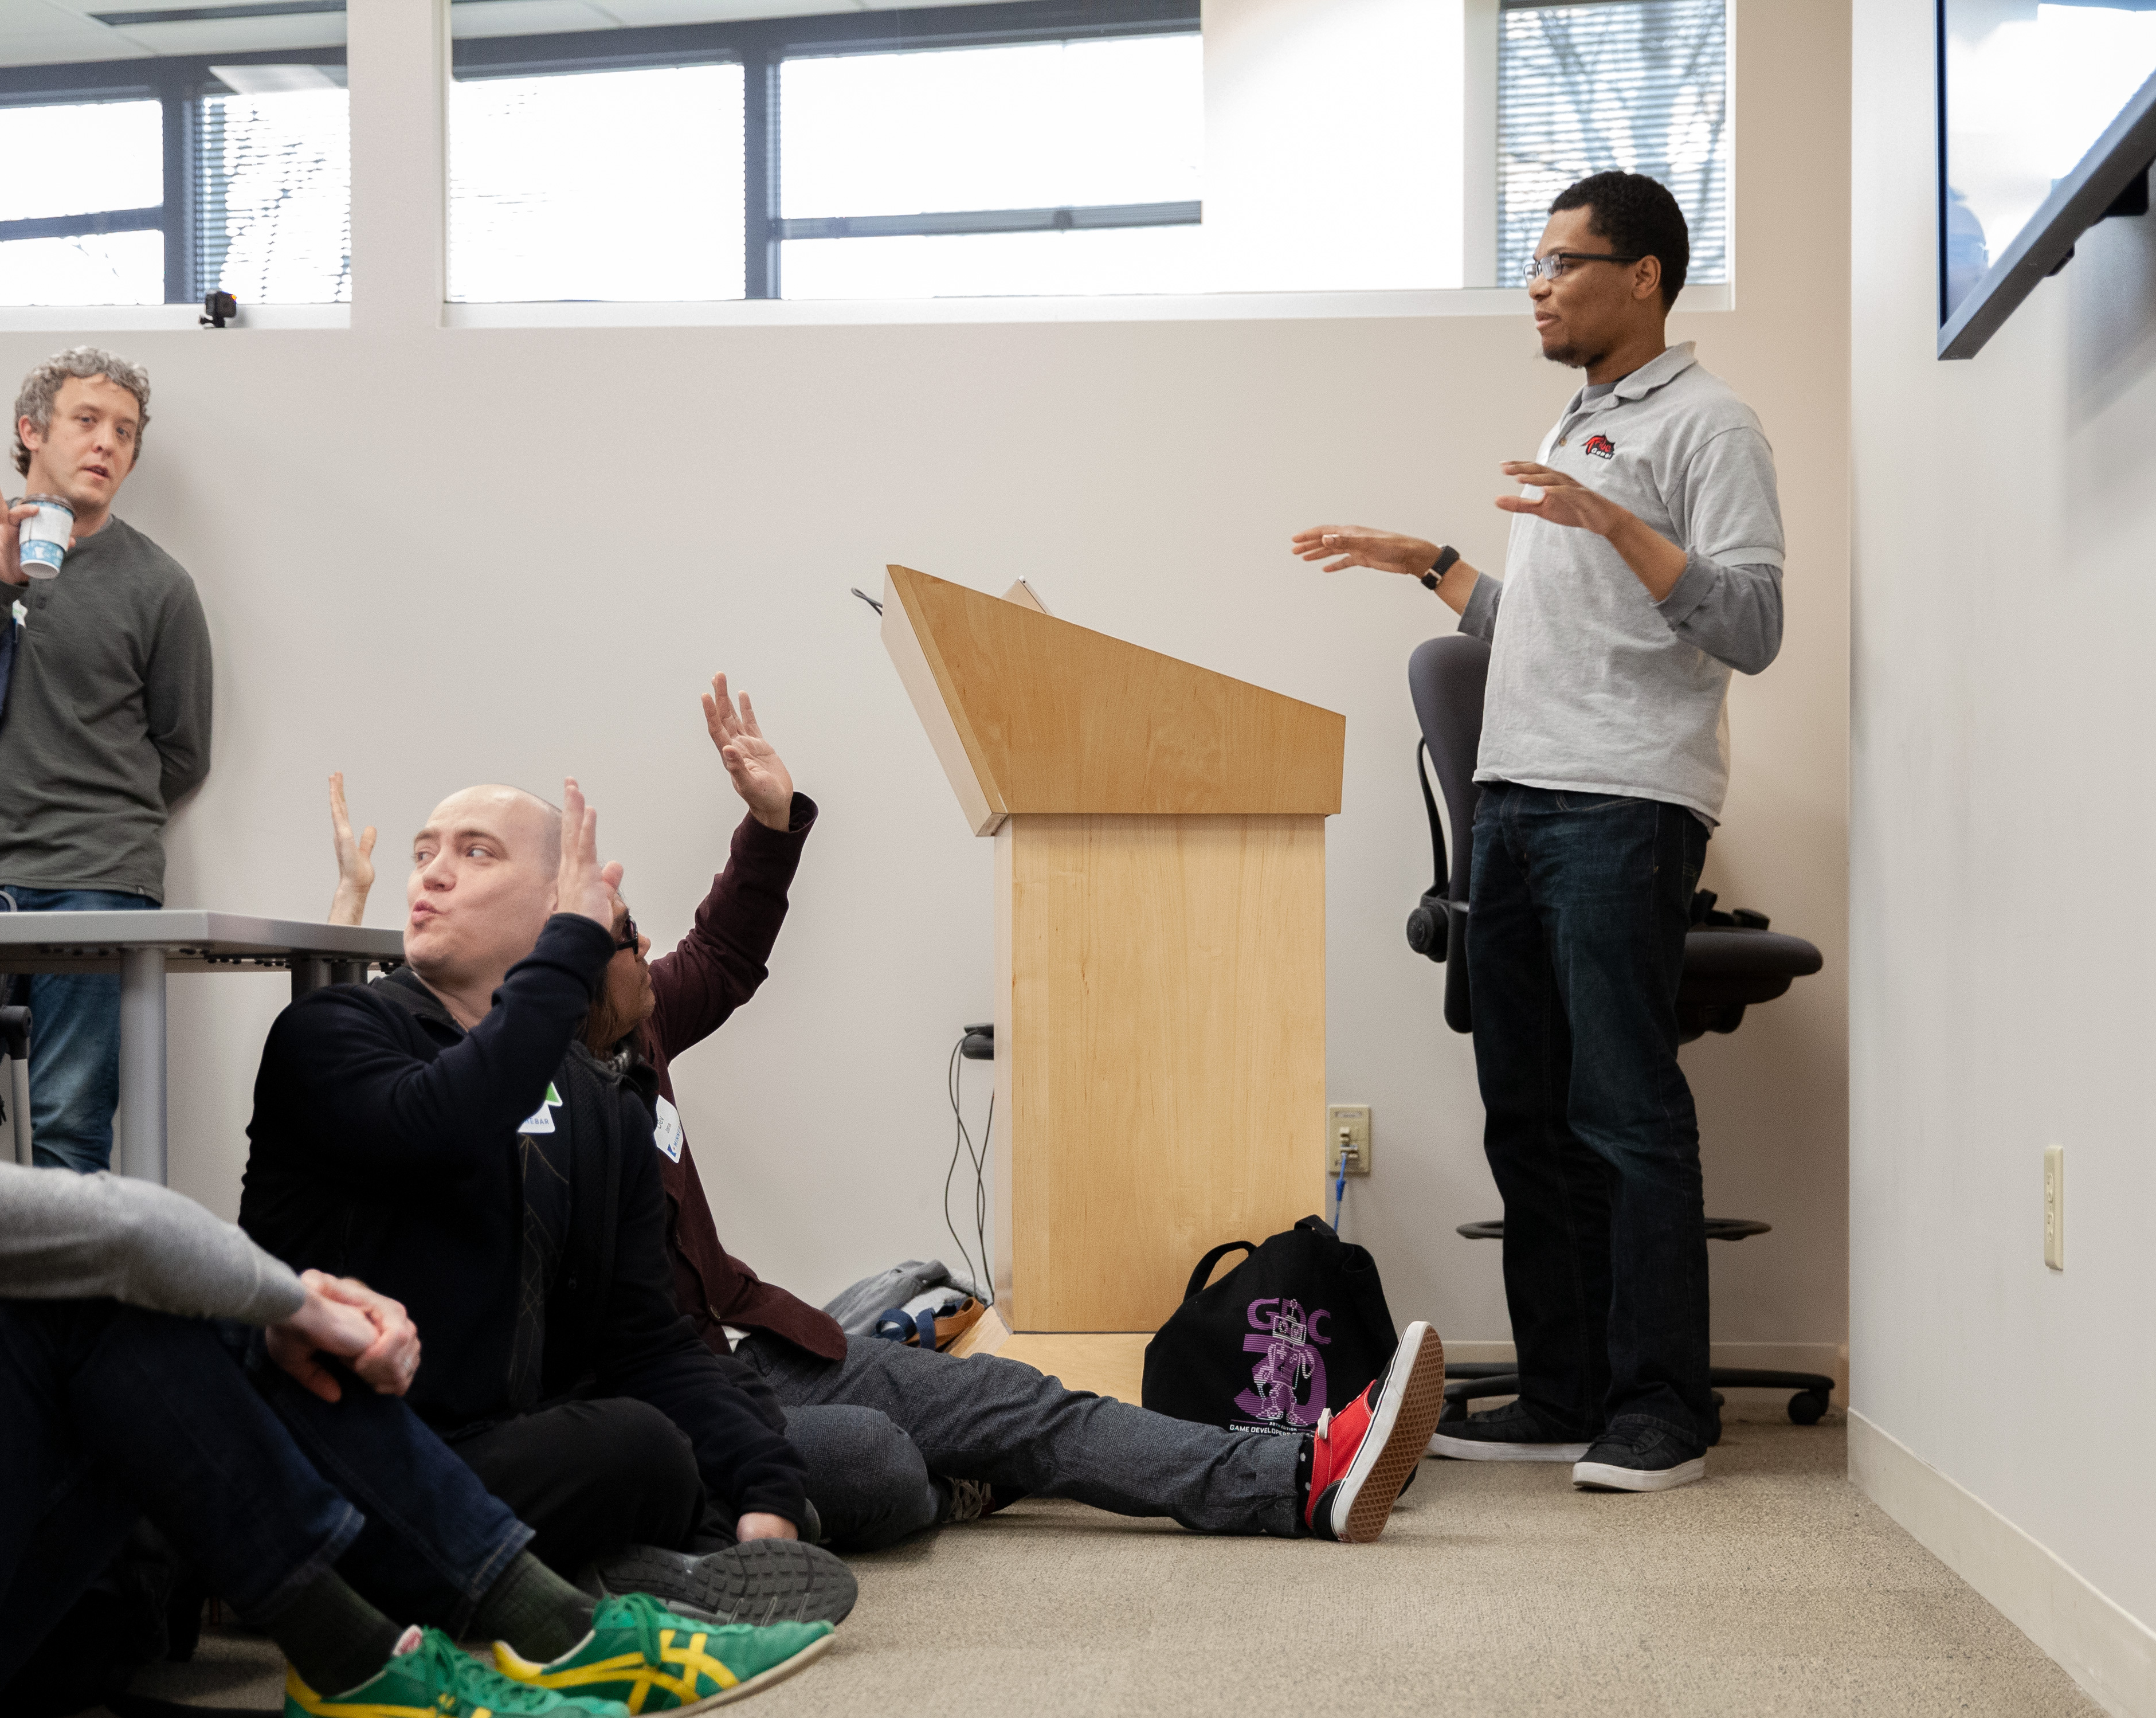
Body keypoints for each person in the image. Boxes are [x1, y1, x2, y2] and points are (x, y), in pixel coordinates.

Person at [0, 749, 833, 1718]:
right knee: (110, 1292)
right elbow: (113, 1228)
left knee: (150, 1302)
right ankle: (442, 1643)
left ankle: (462, 1640)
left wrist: (259, 1311)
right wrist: (292, 1298)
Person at [494, 675, 1444, 1551]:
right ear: (563, 949)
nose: (644, 935)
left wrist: (770, 822)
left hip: (741, 1358)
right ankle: (942, 1485)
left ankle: (1300, 1475)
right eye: (620, 929)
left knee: (1019, 1399)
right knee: (877, 1459)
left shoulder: (634, 1029)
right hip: (658, 1413)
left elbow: (722, 955)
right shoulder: (499, 1087)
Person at [1291, 170, 1785, 1493]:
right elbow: (1547, 639)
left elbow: (1750, 625)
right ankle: (1563, 1393)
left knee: (1623, 1115)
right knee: (1528, 1116)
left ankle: (1661, 1411)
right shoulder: (1574, 429)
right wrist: (1435, 567)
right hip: (1514, 799)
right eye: (1533, 261)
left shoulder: (1705, 426)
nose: (1537, 283)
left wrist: (1626, 529)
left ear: (1642, 277)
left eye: (1563, 262)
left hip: (1620, 805)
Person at [244, 780, 858, 1625]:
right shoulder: (330, 1032)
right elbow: (448, 1124)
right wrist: (569, 944)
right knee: (648, 1452)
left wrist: (767, 1493)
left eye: (475, 851)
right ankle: (604, 1580)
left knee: (691, 1440)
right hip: (346, 1459)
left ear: (552, 901)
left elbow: (646, 1339)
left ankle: (633, 1567)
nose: (431, 873)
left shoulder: (598, 1102)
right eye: (425, 851)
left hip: (498, 1453)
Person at [0, 346, 211, 1174]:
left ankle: (65, 1309)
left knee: (71, 1123)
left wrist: (97, 814)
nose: (108, 443)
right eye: (87, 420)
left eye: (126, 432)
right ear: (31, 431)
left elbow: (182, 748)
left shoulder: (160, 584)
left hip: (100, 879)